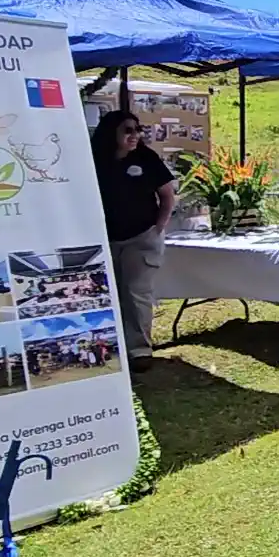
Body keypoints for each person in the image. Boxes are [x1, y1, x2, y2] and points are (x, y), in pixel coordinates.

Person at [91, 109, 176, 373]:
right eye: (128, 130)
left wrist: (158, 228)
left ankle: (140, 350)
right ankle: (113, 347)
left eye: (138, 130)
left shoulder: (146, 158)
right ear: (111, 133)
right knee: (111, 293)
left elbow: (167, 195)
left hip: (142, 237)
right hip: (105, 239)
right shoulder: (94, 159)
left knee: (137, 293)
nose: (135, 135)